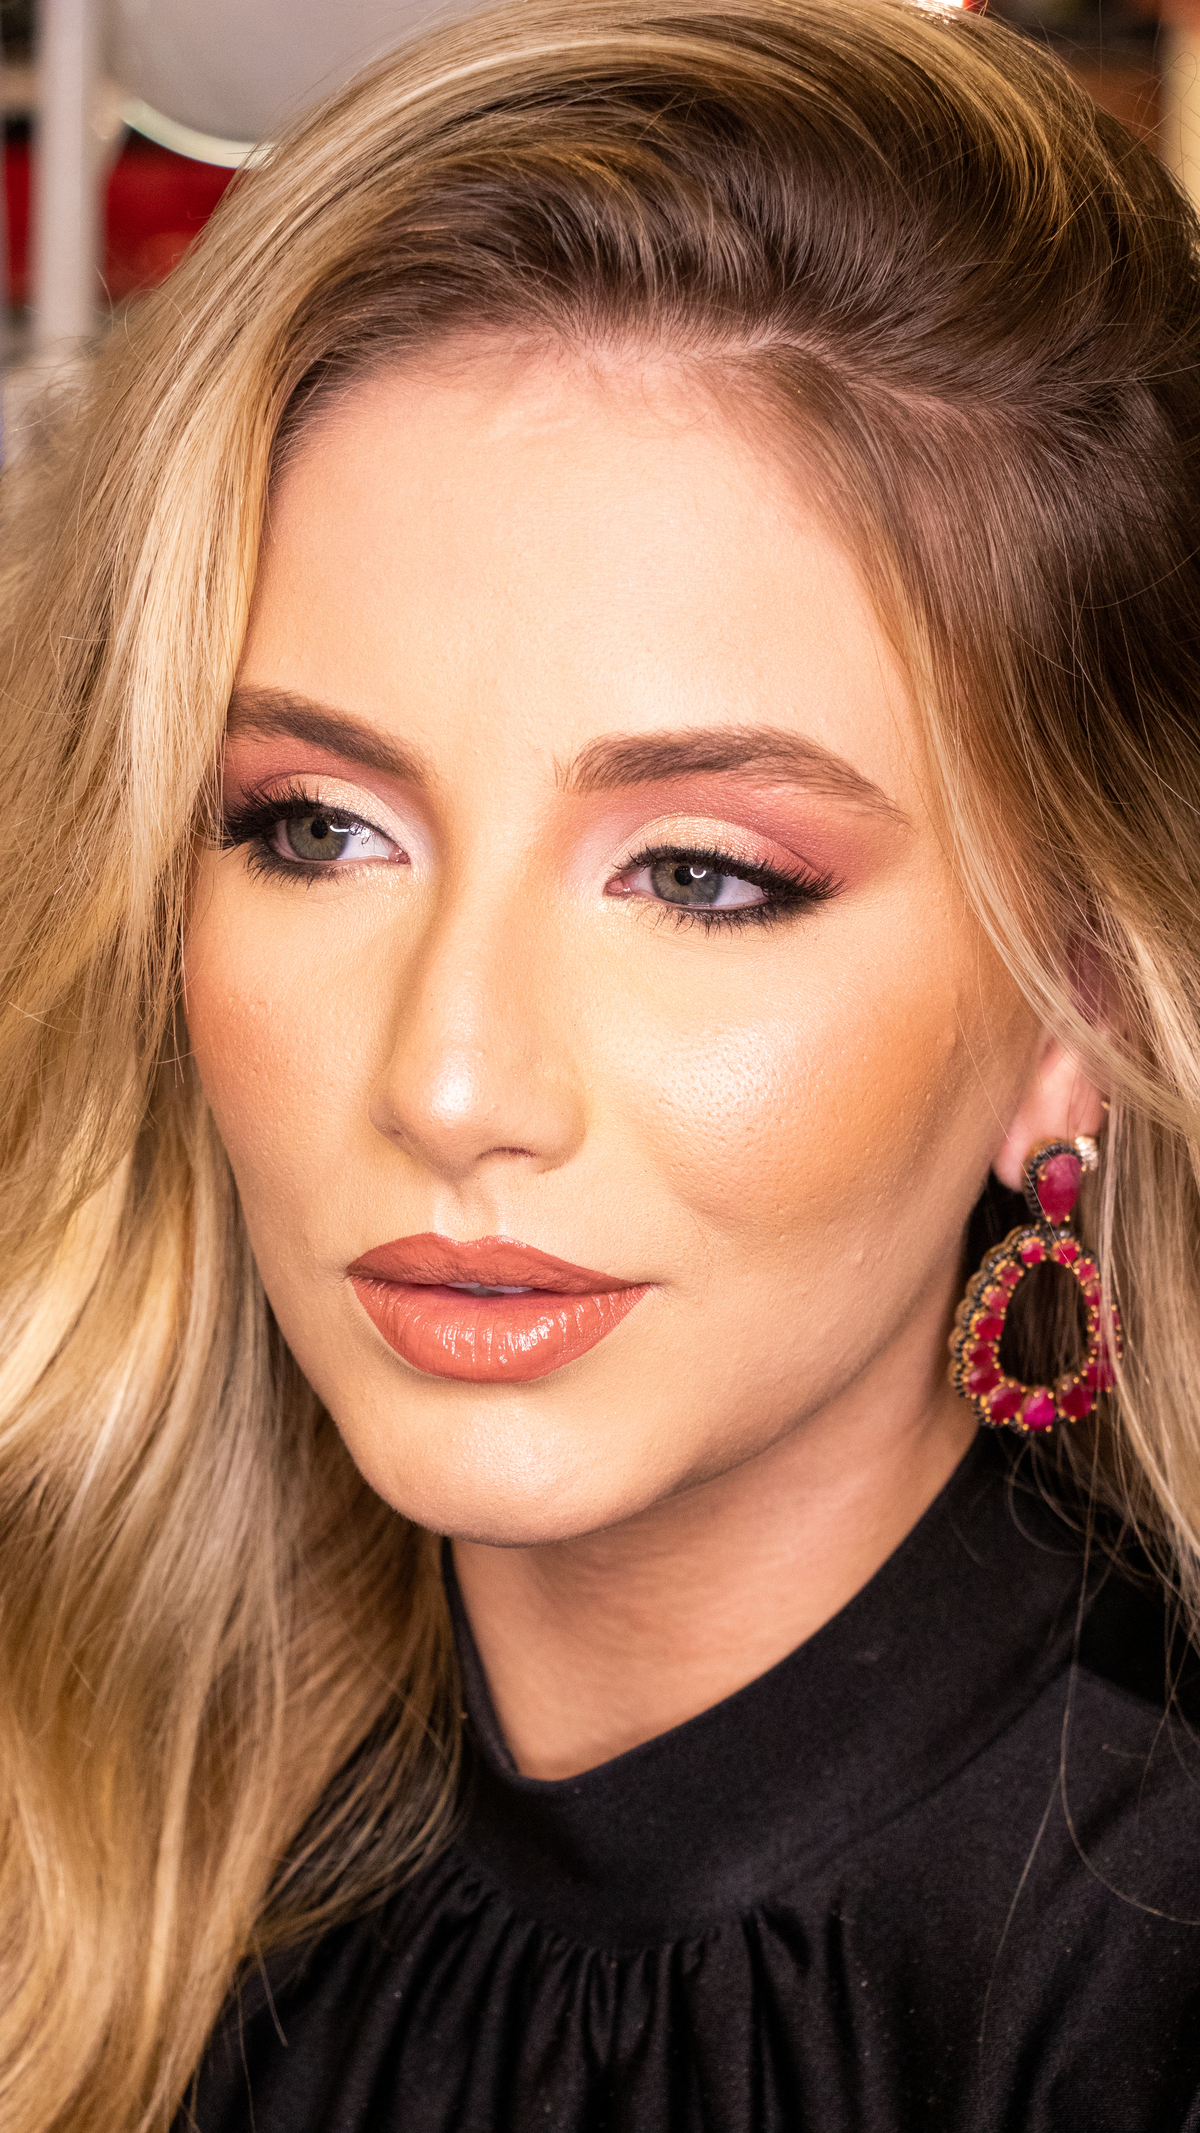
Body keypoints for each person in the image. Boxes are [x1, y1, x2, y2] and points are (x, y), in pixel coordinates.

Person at [3, 0, 1200, 2126]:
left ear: (1077, 1007)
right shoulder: (101, 1830)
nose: (451, 1082)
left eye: (704, 875)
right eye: (316, 830)